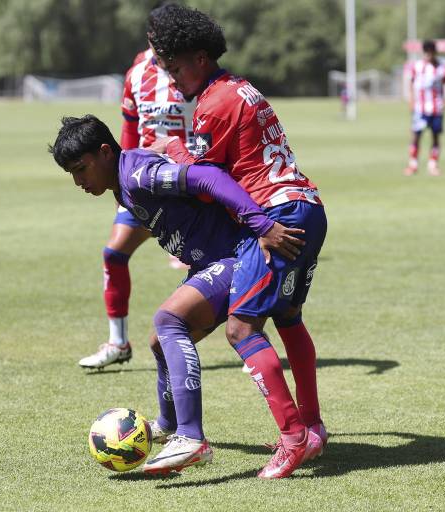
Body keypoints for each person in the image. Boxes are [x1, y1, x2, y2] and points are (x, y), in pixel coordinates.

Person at [49, 115, 313, 476]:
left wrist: (260, 224)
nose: (79, 181)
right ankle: (171, 424)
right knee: (161, 341)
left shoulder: (137, 175)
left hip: (237, 254)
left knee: (169, 320)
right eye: (72, 174)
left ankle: (192, 438)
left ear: (106, 152)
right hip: (212, 261)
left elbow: (209, 178)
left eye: (82, 169)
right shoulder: (124, 185)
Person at [147, 4, 327, 479]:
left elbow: (207, 178)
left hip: (274, 216)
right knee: (288, 317)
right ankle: (312, 427)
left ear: (200, 58)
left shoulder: (214, 103)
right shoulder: (244, 87)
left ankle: (293, 439)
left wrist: (175, 150)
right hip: (306, 204)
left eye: (176, 68)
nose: (173, 79)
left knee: (241, 330)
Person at [76, 47, 196, 370]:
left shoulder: (194, 67)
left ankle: (250, 330)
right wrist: (120, 180)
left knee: (218, 258)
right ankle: (118, 342)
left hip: (185, 183)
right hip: (140, 182)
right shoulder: (137, 74)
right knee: (114, 254)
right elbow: (128, 131)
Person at [404, 39, 445, 177]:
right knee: (416, 136)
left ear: (435, 52)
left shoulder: (442, 68)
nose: (428, 55)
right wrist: (411, 100)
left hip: (437, 109)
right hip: (420, 109)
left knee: (435, 137)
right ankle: (413, 164)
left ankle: (433, 165)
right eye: (426, 53)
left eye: (431, 53)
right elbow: (410, 83)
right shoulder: (417, 67)